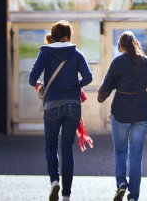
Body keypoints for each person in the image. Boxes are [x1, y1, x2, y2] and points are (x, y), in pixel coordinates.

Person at [28, 20, 93, 201]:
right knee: (67, 149)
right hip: (73, 105)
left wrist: (40, 87)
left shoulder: (45, 52)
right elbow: (88, 77)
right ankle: (66, 195)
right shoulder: (76, 53)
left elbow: (32, 78)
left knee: (50, 146)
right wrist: (74, 86)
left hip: (53, 105)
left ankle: (54, 181)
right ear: (66, 37)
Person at [97, 31, 147, 201]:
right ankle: (133, 196)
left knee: (120, 151)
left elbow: (107, 86)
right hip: (142, 114)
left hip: (120, 113)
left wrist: (100, 96)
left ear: (120, 46)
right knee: (136, 156)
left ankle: (121, 184)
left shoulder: (117, 62)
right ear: (135, 44)